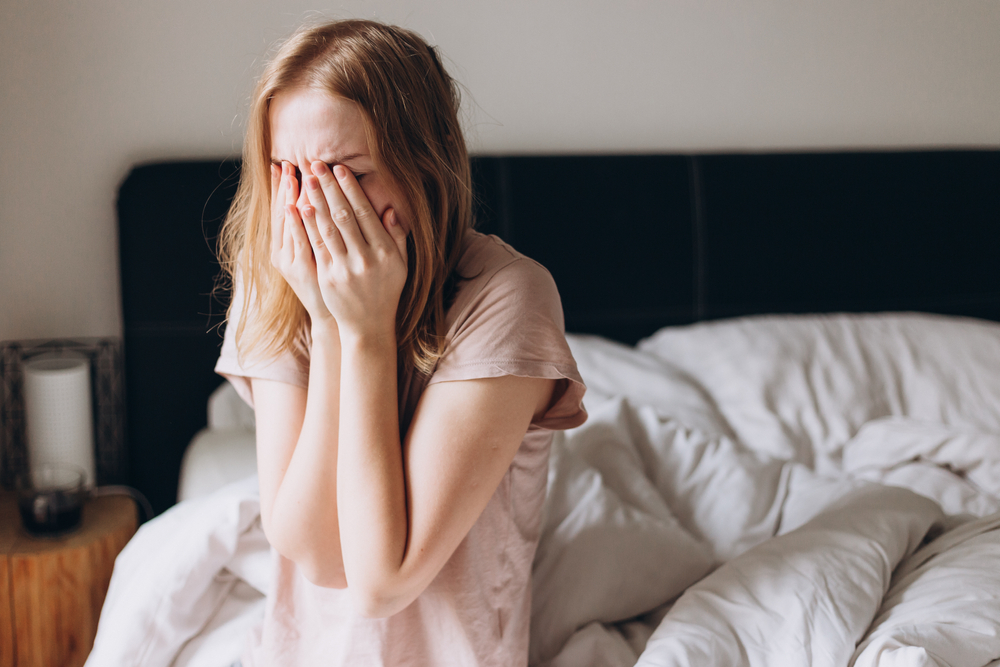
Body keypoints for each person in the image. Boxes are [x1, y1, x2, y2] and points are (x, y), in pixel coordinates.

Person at [215, 18, 587, 666]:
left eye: (344, 174)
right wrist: (328, 324)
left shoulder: (508, 296)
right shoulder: (273, 275)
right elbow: (315, 554)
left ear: (424, 167)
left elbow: (379, 583)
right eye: (288, 171)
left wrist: (366, 332)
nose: (311, 208)